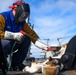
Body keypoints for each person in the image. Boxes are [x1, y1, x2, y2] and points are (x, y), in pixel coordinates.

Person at [0, 1, 52, 71]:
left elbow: (32, 35)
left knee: (27, 39)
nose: (23, 18)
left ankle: (15, 64)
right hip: (2, 46)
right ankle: (1, 64)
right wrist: (13, 35)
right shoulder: (3, 17)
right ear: (15, 10)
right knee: (5, 43)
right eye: (23, 15)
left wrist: (43, 46)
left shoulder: (22, 23)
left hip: (12, 45)